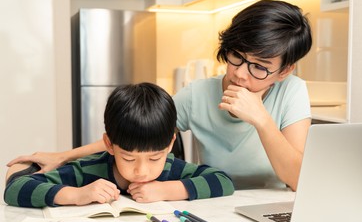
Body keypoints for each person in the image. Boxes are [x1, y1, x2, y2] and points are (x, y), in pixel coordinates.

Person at [6, 0, 312, 192]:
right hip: (209, 200)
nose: (242, 74)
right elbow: (137, 138)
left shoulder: (292, 92)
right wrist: (64, 156)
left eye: (260, 67)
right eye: (236, 57)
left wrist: (261, 120)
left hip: (269, 204)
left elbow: (299, 182)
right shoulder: (198, 94)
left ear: (284, 71)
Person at [4, 83, 234, 208]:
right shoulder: (88, 170)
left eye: (155, 158)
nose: (142, 170)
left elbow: (223, 181)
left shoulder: (171, 169)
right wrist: (76, 194)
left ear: (170, 145)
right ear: (109, 145)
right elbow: (15, 188)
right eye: (129, 158)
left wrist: (168, 189)